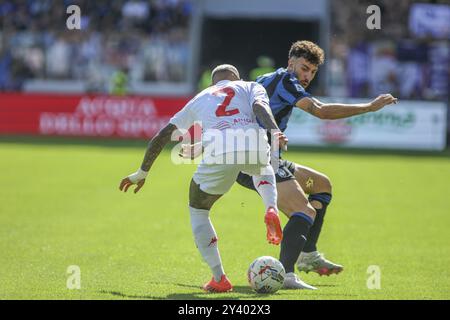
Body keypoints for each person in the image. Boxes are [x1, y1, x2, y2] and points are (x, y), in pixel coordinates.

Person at [182, 41, 398, 290]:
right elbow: (321, 111)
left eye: (313, 72)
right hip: (259, 161)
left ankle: (307, 253)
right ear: (290, 62)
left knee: (321, 185)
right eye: (304, 68)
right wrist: (369, 107)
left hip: (258, 156)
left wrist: (201, 145)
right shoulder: (286, 82)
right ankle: (286, 274)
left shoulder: (263, 79)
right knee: (304, 212)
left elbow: (233, 119)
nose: (307, 76)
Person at [119, 64, 288, 293]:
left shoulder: (200, 97)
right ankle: (271, 208)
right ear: (236, 78)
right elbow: (259, 107)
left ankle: (219, 278)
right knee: (263, 168)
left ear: (212, 83)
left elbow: (162, 136)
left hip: (219, 150)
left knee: (198, 208)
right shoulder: (250, 86)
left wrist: (142, 172)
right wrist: (275, 131)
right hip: (254, 140)